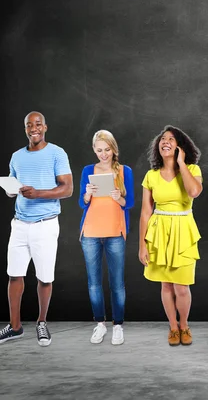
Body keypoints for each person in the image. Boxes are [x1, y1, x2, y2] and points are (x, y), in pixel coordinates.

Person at [0, 111, 73, 346]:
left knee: (44, 277)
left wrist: (39, 193)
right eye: (29, 125)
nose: (33, 128)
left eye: (37, 124)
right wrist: (10, 189)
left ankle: (41, 322)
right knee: (14, 275)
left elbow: (67, 189)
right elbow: (12, 185)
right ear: (25, 129)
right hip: (19, 224)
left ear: (45, 127)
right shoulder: (16, 156)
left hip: (45, 224)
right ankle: (15, 327)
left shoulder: (57, 153)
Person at [138, 126, 203, 346]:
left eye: (171, 139)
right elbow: (146, 212)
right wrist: (142, 245)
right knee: (166, 285)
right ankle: (173, 327)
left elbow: (194, 192)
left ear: (180, 147)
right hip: (159, 231)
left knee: (182, 286)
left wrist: (181, 163)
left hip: (183, 230)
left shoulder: (192, 169)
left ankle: (184, 324)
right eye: (162, 139)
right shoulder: (151, 175)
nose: (165, 141)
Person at [78, 130, 135, 345]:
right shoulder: (87, 170)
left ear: (113, 148)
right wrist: (87, 194)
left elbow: (129, 204)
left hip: (115, 232)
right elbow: (82, 203)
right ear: (94, 150)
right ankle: (100, 324)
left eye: (107, 149)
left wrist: (118, 197)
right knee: (94, 283)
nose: (103, 154)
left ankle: (118, 325)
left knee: (117, 283)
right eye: (99, 150)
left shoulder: (124, 171)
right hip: (90, 232)